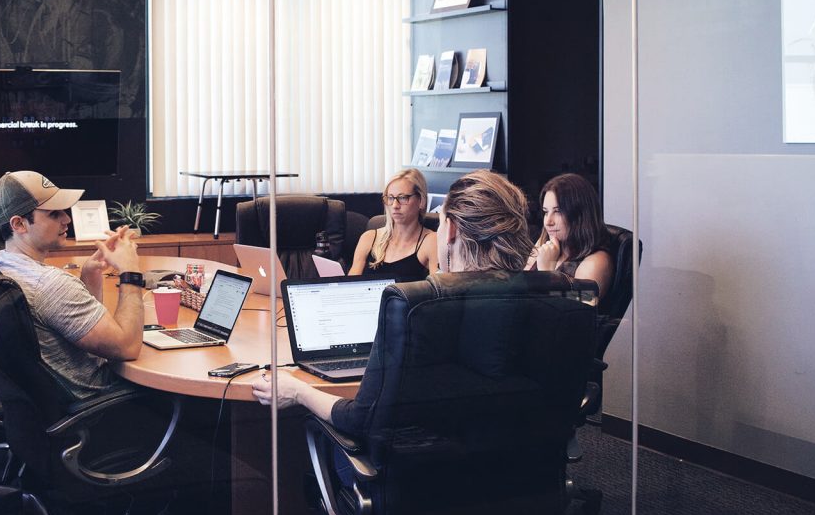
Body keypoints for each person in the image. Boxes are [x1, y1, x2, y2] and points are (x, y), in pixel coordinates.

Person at [252, 170, 533, 436]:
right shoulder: (554, 298)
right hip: (528, 471)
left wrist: (298, 390)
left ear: (450, 232)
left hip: (420, 470)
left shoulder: (417, 312)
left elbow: (360, 418)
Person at [0, 170, 146, 399]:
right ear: (19, 224)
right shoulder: (49, 285)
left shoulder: (0, 265)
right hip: (101, 403)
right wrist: (130, 272)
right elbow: (127, 347)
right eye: (54, 214)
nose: (67, 219)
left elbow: (75, 326)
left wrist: (90, 274)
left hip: (46, 403)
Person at [525, 172, 613, 300]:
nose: (548, 222)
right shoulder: (547, 244)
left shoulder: (596, 261)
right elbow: (520, 291)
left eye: (558, 211)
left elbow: (574, 313)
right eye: (545, 212)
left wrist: (547, 273)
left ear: (580, 214)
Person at [348, 168, 438, 280]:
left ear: (421, 201)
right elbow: (349, 286)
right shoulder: (369, 238)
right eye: (390, 198)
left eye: (402, 197)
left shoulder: (431, 241)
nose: (395, 205)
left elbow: (439, 291)